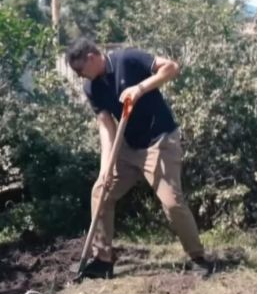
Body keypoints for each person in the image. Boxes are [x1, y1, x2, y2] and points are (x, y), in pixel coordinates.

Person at [66, 38, 212, 279]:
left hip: (160, 142)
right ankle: (103, 260)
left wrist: (140, 88)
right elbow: (106, 126)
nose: (80, 76)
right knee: (101, 191)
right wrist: (106, 167)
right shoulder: (92, 88)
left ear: (92, 58)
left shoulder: (128, 59)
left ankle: (198, 258)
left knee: (172, 202)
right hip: (128, 148)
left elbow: (172, 67)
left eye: (80, 70)